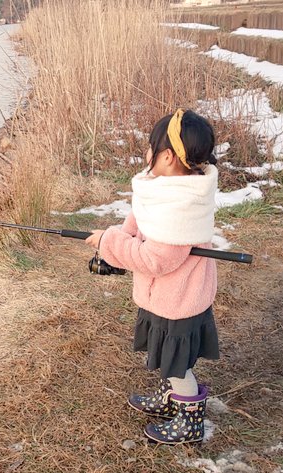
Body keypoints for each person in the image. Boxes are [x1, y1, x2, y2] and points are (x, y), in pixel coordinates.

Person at [85, 109, 220, 445]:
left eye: (150, 147)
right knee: (167, 356)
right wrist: (119, 236)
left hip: (178, 300)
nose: (146, 153)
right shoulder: (170, 187)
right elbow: (141, 215)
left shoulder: (180, 209)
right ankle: (170, 397)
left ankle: (189, 421)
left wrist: (109, 242)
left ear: (168, 156)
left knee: (178, 365)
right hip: (165, 296)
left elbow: (155, 260)